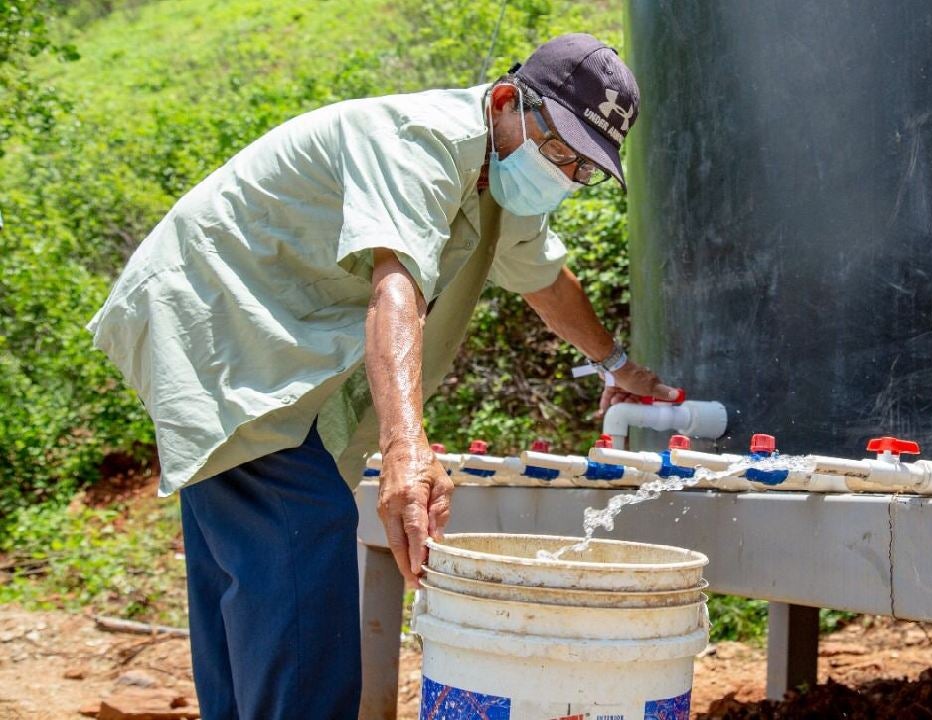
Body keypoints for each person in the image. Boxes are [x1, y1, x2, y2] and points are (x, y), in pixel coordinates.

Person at [86, 33, 678, 719]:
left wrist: (615, 364)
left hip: (268, 348)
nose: (564, 172)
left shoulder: (506, 183)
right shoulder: (421, 141)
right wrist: (406, 449)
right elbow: (396, 287)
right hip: (221, 324)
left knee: (254, 583)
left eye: (582, 169)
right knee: (298, 534)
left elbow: (545, 281)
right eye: (558, 151)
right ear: (510, 101)